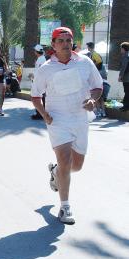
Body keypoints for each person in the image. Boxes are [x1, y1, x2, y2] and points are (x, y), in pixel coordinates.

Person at [31, 27, 102, 225]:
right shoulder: (45, 68)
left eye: (68, 40)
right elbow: (35, 95)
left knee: (76, 166)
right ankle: (65, 207)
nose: (65, 43)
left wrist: (93, 101)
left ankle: (56, 172)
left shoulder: (85, 63)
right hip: (58, 120)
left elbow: (97, 86)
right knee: (65, 160)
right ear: (53, 45)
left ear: (73, 43)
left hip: (80, 118)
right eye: (60, 40)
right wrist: (44, 115)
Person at [31, 44, 47, 120]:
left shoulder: (41, 59)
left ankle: (40, 114)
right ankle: (40, 113)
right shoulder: (40, 58)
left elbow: (40, 71)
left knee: (38, 98)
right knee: (40, 98)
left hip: (40, 81)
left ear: (36, 52)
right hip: (39, 81)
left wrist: (33, 75)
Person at [118, 41, 129, 111]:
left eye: (121, 48)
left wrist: (120, 76)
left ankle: (126, 107)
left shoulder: (125, 56)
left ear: (124, 49)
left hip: (127, 78)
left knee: (127, 92)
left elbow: (124, 67)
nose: (121, 50)